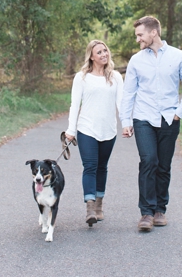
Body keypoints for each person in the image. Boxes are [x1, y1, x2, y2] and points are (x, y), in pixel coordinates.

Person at [120, 16, 182, 232]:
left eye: (140, 34)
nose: (138, 39)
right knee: (148, 161)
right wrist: (126, 121)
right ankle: (146, 212)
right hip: (143, 117)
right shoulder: (136, 60)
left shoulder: (179, 56)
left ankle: (160, 210)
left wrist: (179, 113)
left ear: (153, 32)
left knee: (163, 165)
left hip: (169, 118)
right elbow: (129, 92)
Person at [65, 39, 123, 226]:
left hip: (108, 129)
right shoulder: (81, 77)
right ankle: (90, 207)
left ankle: (99, 205)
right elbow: (75, 104)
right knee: (90, 166)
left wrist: (127, 124)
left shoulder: (115, 77)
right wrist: (70, 130)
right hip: (86, 129)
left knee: (102, 167)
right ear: (91, 56)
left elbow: (121, 103)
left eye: (105, 51)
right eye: (99, 52)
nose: (104, 54)